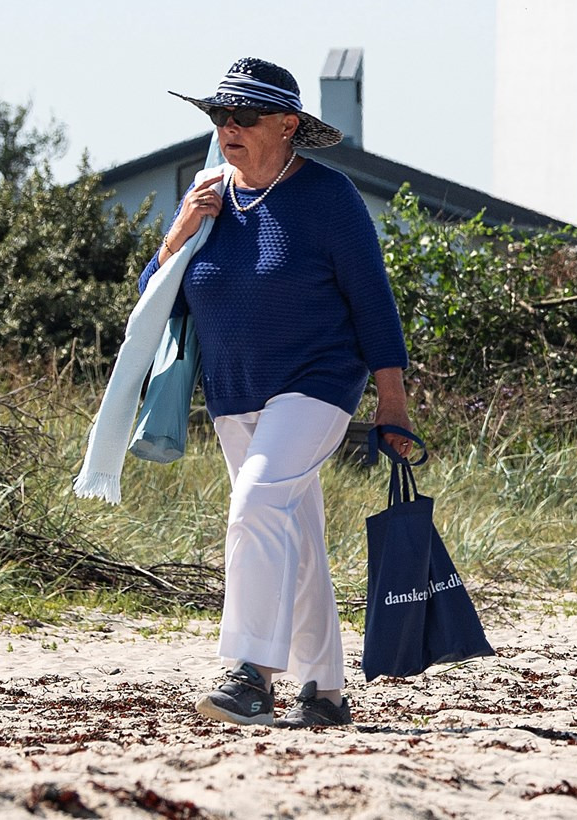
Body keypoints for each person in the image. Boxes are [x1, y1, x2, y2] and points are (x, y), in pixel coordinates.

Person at [149, 59, 415, 729]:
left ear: (288, 126)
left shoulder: (329, 197)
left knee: (258, 503)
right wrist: (178, 232)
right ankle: (324, 691)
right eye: (219, 116)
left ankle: (249, 674)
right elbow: (157, 297)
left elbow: (374, 304)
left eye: (242, 117)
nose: (226, 128)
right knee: (289, 528)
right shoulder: (208, 195)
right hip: (233, 391)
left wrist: (393, 402)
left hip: (318, 384)